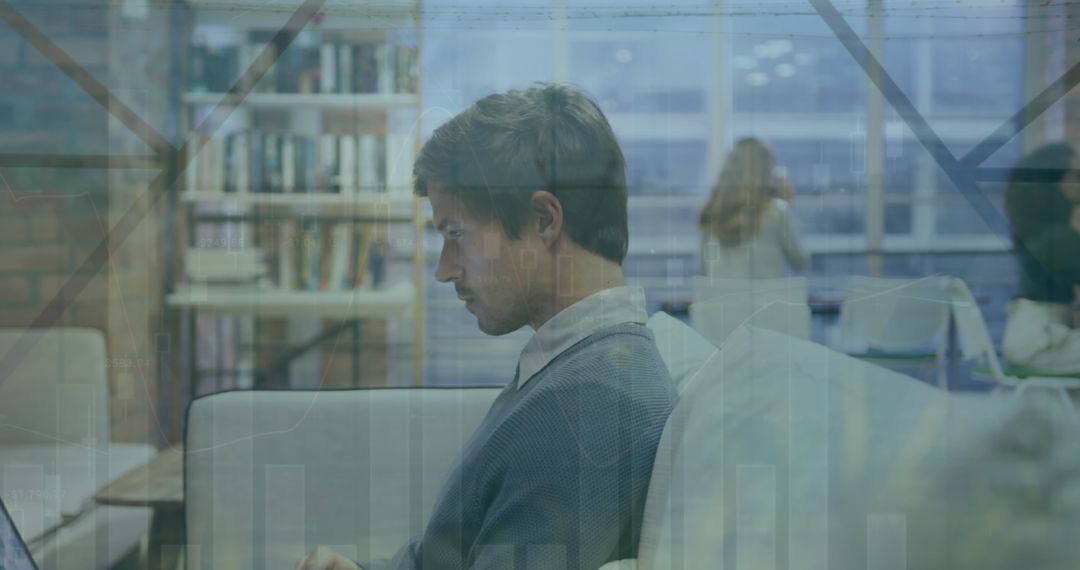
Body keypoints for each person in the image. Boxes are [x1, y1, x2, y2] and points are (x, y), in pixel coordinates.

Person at [297, 84, 677, 570]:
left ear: (543, 219)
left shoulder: (592, 403)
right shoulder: (575, 369)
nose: (445, 269)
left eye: (457, 234)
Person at [1001, 142, 1080, 374]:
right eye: (1075, 175)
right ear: (1057, 183)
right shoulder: (1057, 238)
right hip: (1040, 342)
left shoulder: (1041, 232)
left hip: (1034, 336)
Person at [698, 137, 806, 279]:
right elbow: (800, 262)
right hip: (766, 300)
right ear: (766, 171)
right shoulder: (777, 211)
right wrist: (788, 207)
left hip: (722, 300)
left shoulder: (712, 211)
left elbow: (704, 271)